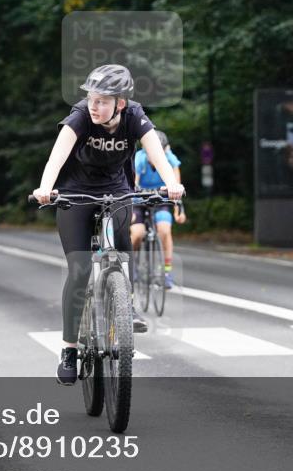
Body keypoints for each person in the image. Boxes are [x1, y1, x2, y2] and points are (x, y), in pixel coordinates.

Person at [32, 64, 185, 385]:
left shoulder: (134, 116)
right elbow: (56, 157)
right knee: (80, 269)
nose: (94, 106)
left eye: (102, 101)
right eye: (91, 99)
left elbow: (156, 154)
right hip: (74, 194)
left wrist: (172, 183)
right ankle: (69, 348)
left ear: (121, 103)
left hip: (116, 191)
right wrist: (46, 188)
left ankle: (125, 306)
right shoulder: (80, 117)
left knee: (122, 244)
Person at [131, 130, 186, 289]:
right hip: (139, 199)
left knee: (164, 230)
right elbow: (133, 183)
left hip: (161, 199)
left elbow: (177, 187)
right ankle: (131, 266)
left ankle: (167, 272)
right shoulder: (139, 158)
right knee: (137, 233)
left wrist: (178, 210)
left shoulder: (170, 159)